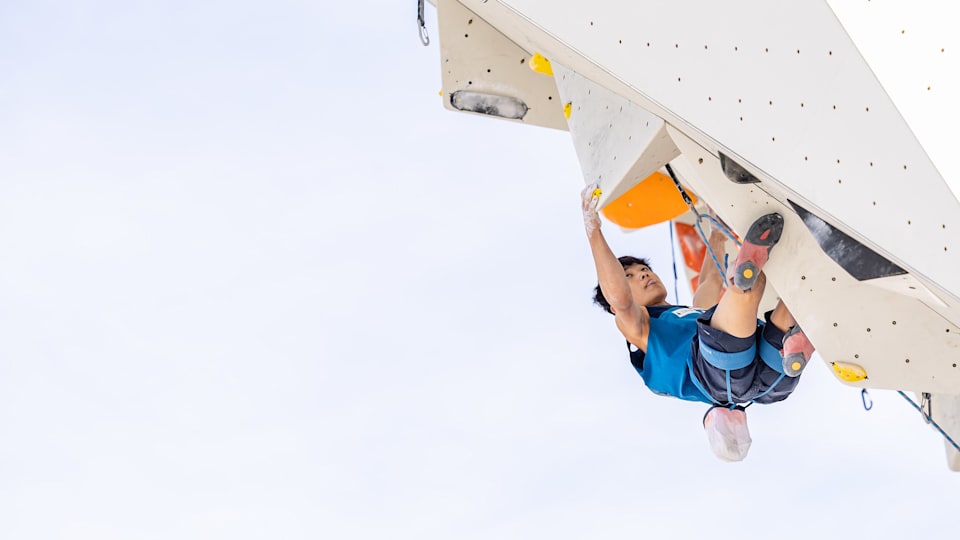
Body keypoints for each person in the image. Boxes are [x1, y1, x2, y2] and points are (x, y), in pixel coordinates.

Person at [580, 183, 815, 461]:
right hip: (720, 373)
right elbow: (620, 300)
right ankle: (754, 292)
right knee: (742, 293)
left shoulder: (690, 315)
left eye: (644, 269)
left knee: (789, 295)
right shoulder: (640, 328)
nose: (643, 274)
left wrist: (716, 232)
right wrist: (593, 231)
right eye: (629, 276)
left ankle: (794, 337)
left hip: (768, 383)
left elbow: (709, 280)